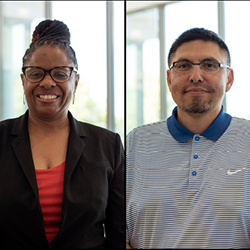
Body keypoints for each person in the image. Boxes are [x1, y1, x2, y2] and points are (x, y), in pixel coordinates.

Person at [0, 19, 124, 249]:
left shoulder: (108, 144)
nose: (47, 83)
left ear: (75, 81)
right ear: (23, 80)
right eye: (36, 73)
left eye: (60, 73)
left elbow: (119, 233)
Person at [126, 27, 250, 249]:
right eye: (183, 66)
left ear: (229, 79)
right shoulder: (135, 142)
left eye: (210, 65)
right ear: (169, 78)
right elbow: (117, 232)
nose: (195, 76)